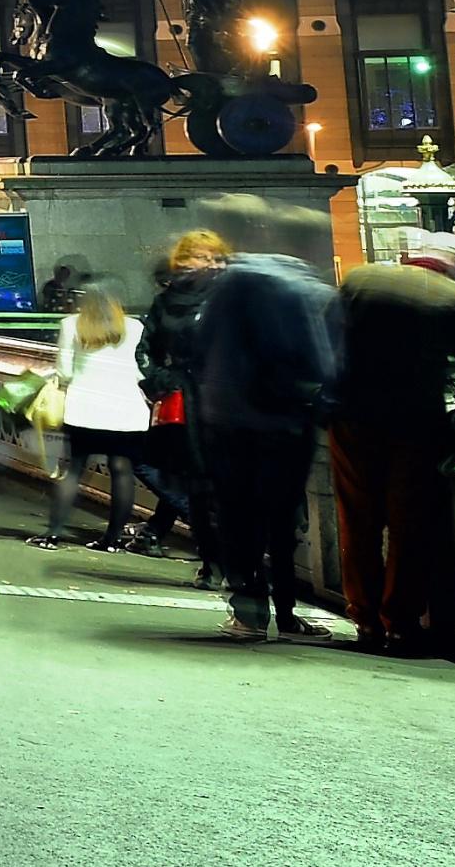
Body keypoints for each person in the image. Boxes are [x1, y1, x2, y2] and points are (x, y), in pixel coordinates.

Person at [329, 231, 455, 656]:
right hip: (414, 422)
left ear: (408, 259)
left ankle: (364, 619)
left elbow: (325, 340)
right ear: (451, 267)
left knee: (358, 519)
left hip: (352, 416)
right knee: (410, 525)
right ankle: (401, 624)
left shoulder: (359, 281)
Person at [182, 230, 342, 642]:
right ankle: (288, 615)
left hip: (229, 423)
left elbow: (198, 356)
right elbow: (323, 364)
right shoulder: (301, 290)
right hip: (286, 424)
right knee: (282, 523)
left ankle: (249, 613)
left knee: (238, 519)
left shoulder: (224, 292)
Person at [134, 228, 233, 573]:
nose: (214, 265)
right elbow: (146, 350)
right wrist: (165, 380)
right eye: (204, 257)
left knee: (213, 486)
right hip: (184, 405)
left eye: (218, 258)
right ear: (184, 261)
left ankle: (221, 561)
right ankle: (213, 560)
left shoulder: (230, 298)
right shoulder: (165, 302)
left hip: (225, 404)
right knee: (189, 482)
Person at [35, 281, 155, 546]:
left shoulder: (71, 324)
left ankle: (53, 534)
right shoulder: (134, 326)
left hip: (85, 408)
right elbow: (141, 369)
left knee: (75, 469)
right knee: (122, 470)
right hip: (127, 408)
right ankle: (112, 540)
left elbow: (65, 371)